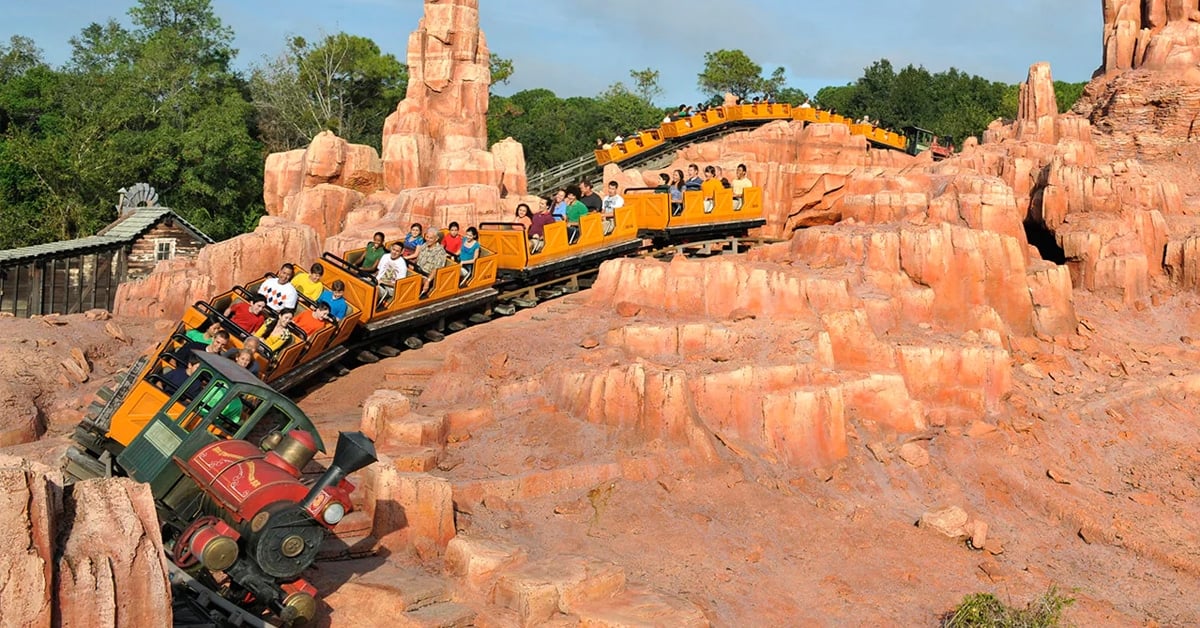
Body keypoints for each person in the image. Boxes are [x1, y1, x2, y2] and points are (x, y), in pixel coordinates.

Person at [414, 230, 448, 297]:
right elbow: (418, 258)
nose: (428, 239)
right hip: (418, 271)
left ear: (436, 239)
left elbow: (436, 269)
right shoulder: (424, 245)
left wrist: (428, 281)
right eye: (427, 237)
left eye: (431, 238)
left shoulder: (440, 252)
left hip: (427, 275)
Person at [375, 242, 408, 307]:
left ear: (401, 252)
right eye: (393, 249)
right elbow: (378, 271)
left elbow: (398, 284)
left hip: (389, 288)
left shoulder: (402, 265)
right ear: (391, 248)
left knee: (375, 290)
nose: (394, 252)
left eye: (397, 251)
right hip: (377, 281)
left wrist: (382, 282)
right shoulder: (385, 256)